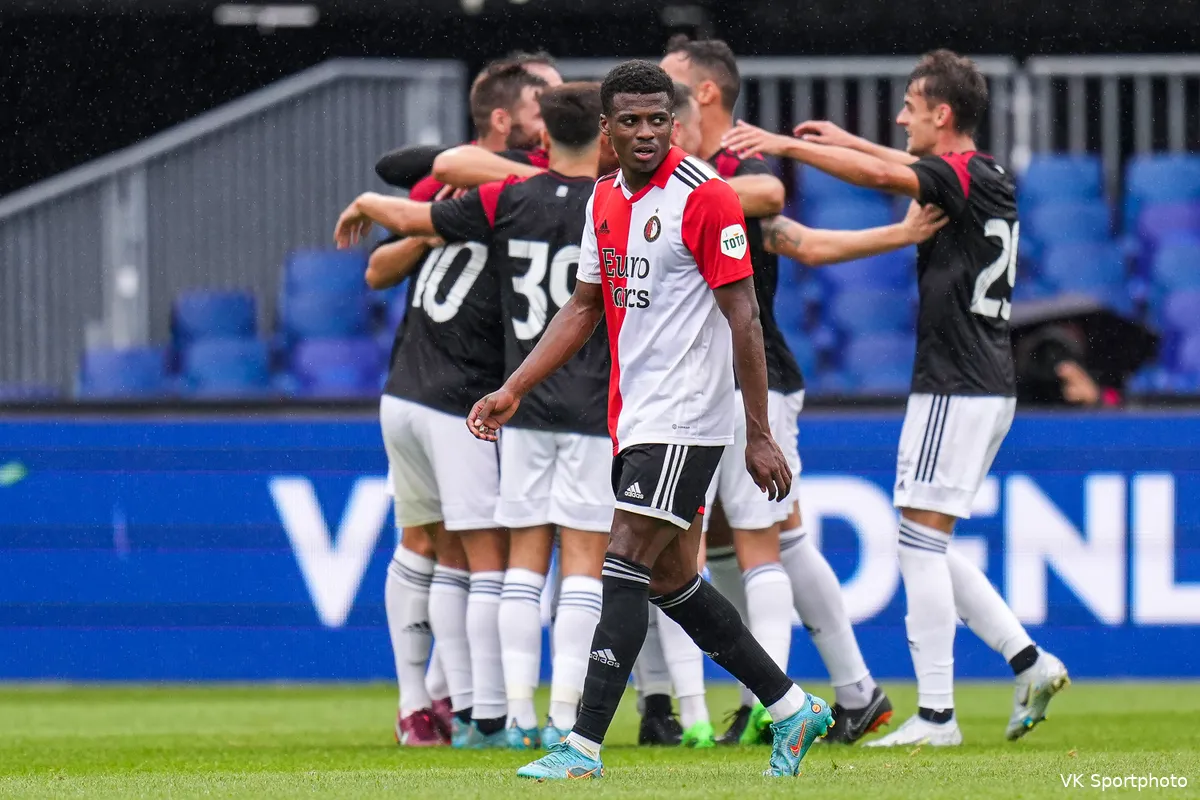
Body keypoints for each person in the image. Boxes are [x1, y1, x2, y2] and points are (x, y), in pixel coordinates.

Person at [464, 60, 834, 781]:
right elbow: (582, 307)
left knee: (622, 560)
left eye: (657, 119)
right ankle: (792, 709)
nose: (644, 132)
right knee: (672, 580)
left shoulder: (706, 198)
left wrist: (756, 430)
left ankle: (582, 747)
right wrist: (513, 387)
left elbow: (744, 316)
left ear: (674, 121)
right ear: (605, 129)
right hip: (636, 415)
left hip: (689, 417)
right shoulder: (603, 198)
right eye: (628, 120)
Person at [722, 49, 1070, 746]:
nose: (901, 115)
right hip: (980, 379)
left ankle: (937, 715)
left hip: (956, 382)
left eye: (912, 105)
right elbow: (897, 163)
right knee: (926, 539)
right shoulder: (985, 171)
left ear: (941, 115)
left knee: (917, 543)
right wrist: (847, 142)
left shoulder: (952, 174)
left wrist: (789, 146)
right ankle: (1027, 660)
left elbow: (889, 173)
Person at [363, 82, 619, 752]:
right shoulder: (614, 201)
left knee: (517, 570)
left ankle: (506, 718)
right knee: (582, 565)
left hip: (522, 403)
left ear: (543, 137)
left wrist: (371, 205)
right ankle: (565, 718)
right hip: (591, 400)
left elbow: (421, 216)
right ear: (604, 131)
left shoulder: (509, 197)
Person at [661, 35, 893, 746]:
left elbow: (769, 192)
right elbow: (802, 242)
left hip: (754, 378)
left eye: (668, 83)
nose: (652, 98)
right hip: (706, 379)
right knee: (741, 539)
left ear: (704, 93)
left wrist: (675, 196)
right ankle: (849, 693)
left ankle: (777, 704)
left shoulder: (730, 159)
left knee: (766, 537)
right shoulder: (675, 173)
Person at [349, 61, 551, 749]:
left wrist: (427, 221)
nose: (553, 107)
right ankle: (476, 711)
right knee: (478, 555)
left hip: (406, 388)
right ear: (504, 119)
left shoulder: (464, 184)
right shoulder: (512, 185)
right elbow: (382, 258)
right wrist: (433, 223)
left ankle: (424, 702)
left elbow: (379, 257)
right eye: (540, 97)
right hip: (458, 394)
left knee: (428, 546)